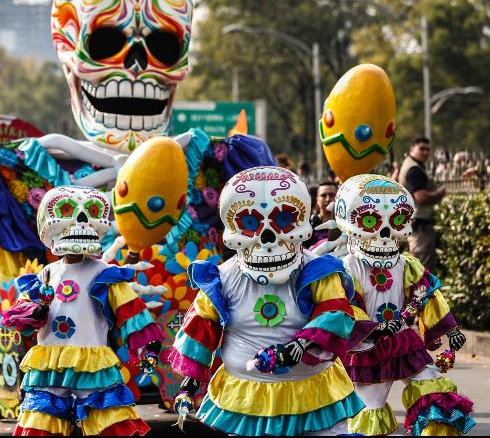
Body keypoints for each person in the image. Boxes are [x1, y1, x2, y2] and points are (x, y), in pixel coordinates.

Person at [170, 167, 365, 435]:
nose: (268, 238)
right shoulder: (222, 278)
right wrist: (187, 387)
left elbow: (336, 314)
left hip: (313, 391)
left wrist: (299, 345)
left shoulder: (318, 271)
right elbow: (203, 330)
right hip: (246, 398)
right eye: (250, 223)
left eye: (283, 219)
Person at [1, 186, 161, 436]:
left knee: (109, 421)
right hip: (49, 363)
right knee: (42, 422)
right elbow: (22, 316)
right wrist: (39, 306)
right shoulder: (46, 274)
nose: (81, 221)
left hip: (92, 362)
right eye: (67, 212)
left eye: (90, 213)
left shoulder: (104, 273)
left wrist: (148, 348)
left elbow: (131, 312)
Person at [335, 175, 474, 436]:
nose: (385, 232)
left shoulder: (406, 263)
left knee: (433, 388)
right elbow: (344, 306)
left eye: (396, 221)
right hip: (368, 350)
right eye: (371, 222)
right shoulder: (348, 268)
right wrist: (373, 330)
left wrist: (449, 329)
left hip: (402, 342)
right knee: (370, 409)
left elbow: (428, 294)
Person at [398, 137, 446, 270]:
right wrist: (440, 193)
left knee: (419, 267)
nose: (425, 152)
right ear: (412, 149)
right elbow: (421, 196)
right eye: (422, 149)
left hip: (415, 223)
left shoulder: (410, 165)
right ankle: (422, 291)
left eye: (428, 150)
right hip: (420, 225)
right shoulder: (414, 170)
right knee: (422, 269)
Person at [304, 181, 338, 249]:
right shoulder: (308, 224)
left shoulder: (345, 224)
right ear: (317, 200)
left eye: (331, 195)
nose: (328, 199)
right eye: (323, 195)